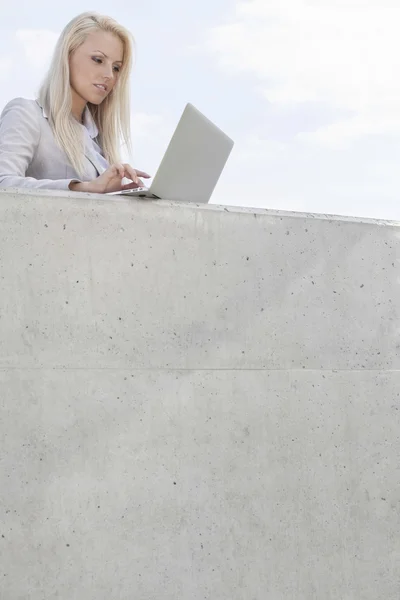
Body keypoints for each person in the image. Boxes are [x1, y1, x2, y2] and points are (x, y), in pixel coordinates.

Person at [0, 12, 150, 194]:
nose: (109, 75)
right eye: (98, 60)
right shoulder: (26, 114)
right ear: (68, 54)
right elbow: (3, 182)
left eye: (116, 67)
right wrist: (82, 187)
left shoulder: (99, 140)